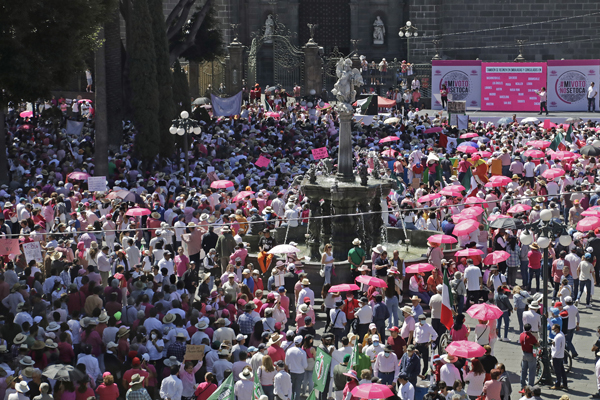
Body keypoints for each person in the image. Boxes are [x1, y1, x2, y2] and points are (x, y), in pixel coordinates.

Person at [519, 323, 539, 390]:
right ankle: (530, 386)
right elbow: (537, 344)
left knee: (524, 370)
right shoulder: (531, 337)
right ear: (530, 329)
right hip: (531, 355)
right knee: (532, 371)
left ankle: (522, 385)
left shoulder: (521, 335)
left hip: (524, 354)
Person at [551, 323, 568, 390]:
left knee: (557, 372)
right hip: (561, 355)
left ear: (557, 329)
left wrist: (553, 356)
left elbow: (557, 349)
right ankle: (564, 383)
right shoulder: (561, 334)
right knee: (562, 371)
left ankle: (557, 384)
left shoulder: (558, 337)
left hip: (557, 357)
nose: (552, 331)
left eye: (553, 329)